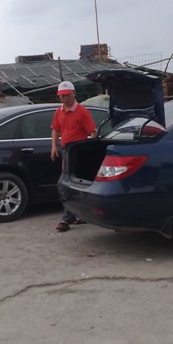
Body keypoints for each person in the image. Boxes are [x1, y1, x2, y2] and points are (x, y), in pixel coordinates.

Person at [50, 81, 98, 232]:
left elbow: (93, 132)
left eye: (67, 95)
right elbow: (56, 129)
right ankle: (78, 215)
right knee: (71, 184)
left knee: (67, 183)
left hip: (77, 152)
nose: (64, 98)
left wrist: (88, 149)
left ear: (74, 94)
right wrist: (54, 146)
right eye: (62, 96)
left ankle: (66, 218)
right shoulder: (59, 111)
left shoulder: (82, 112)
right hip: (66, 151)